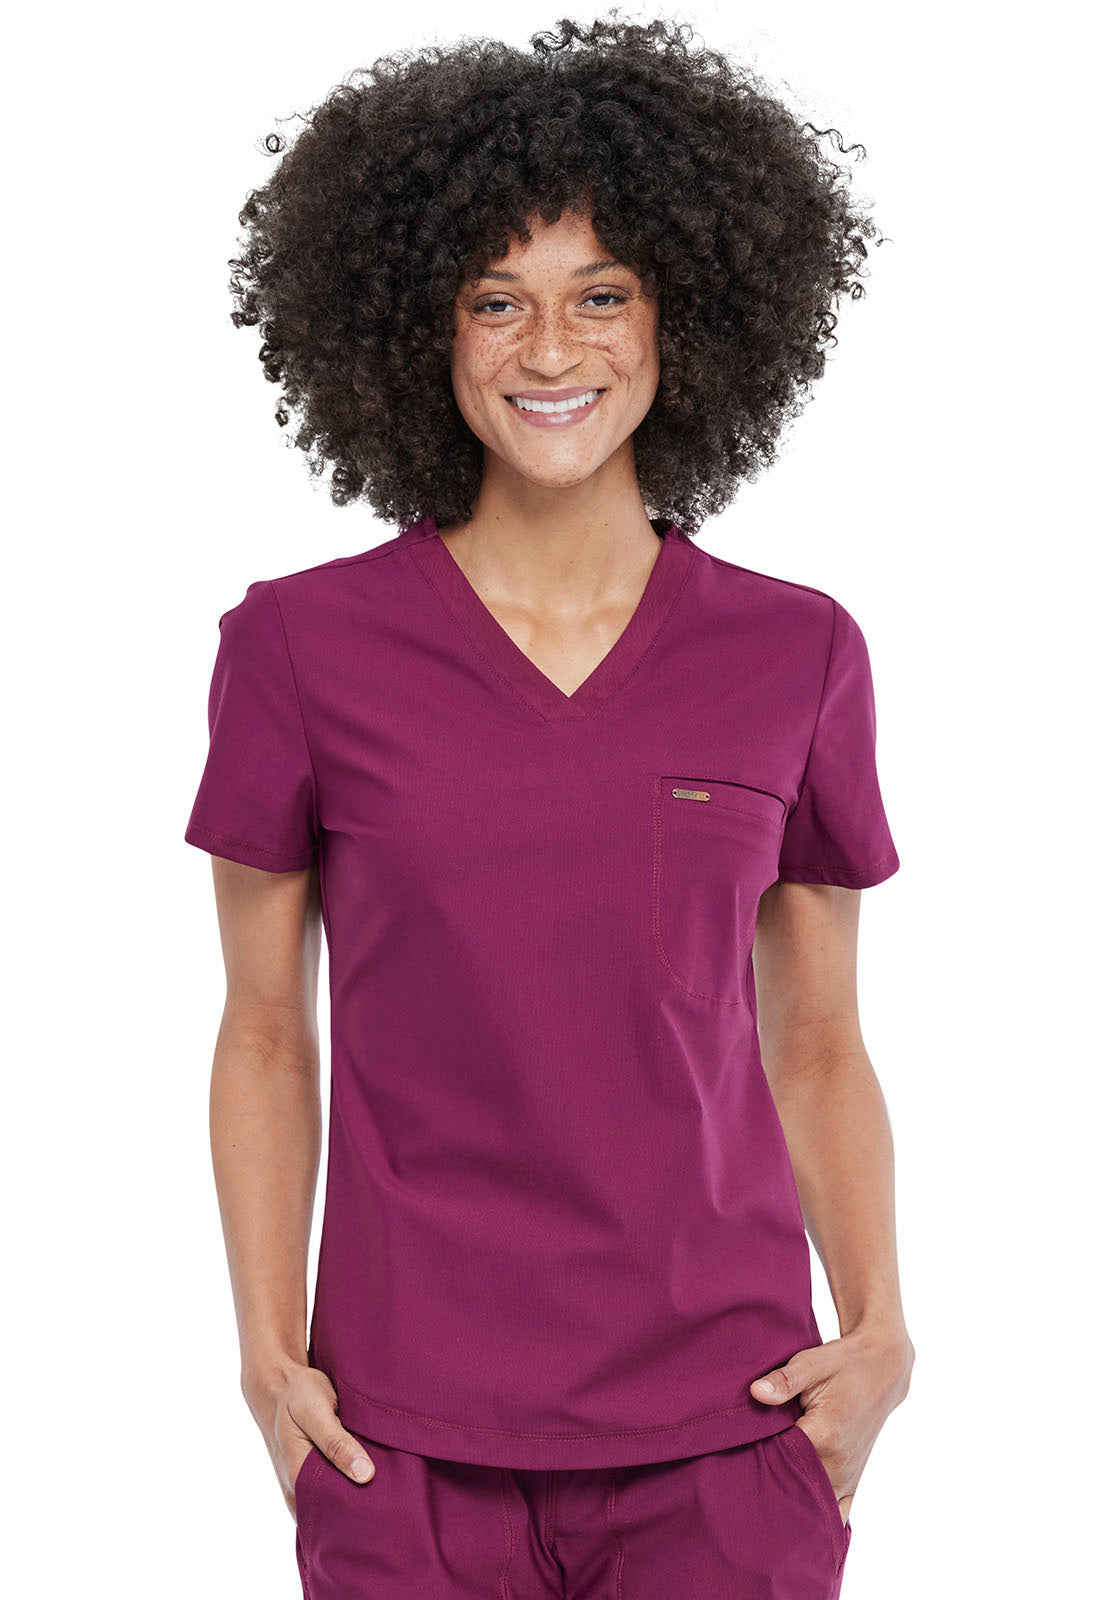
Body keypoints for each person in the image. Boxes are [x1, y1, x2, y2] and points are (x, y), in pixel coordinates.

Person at [184, 15, 915, 1598]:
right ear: (419, 330)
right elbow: (265, 1033)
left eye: (602, 295)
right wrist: (267, 1359)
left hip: (729, 1435)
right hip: (397, 1444)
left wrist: (879, 1336)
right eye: (495, 300)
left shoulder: (796, 652)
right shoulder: (300, 649)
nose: (550, 350)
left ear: (684, 318)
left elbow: (815, 1042)